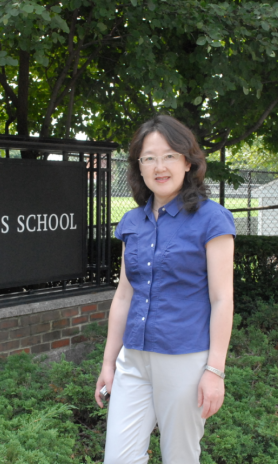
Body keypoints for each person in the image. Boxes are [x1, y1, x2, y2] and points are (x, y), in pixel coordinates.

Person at [95, 115, 236, 464]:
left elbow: (222, 299)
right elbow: (124, 295)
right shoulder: (131, 222)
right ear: (139, 167)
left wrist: (215, 371)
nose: (160, 166)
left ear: (188, 162)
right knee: (118, 460)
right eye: (149, 158)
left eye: (170, 156)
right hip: (133, 359)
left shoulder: (212, 219)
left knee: (180, 458)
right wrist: (109, 363)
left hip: (184, 359)